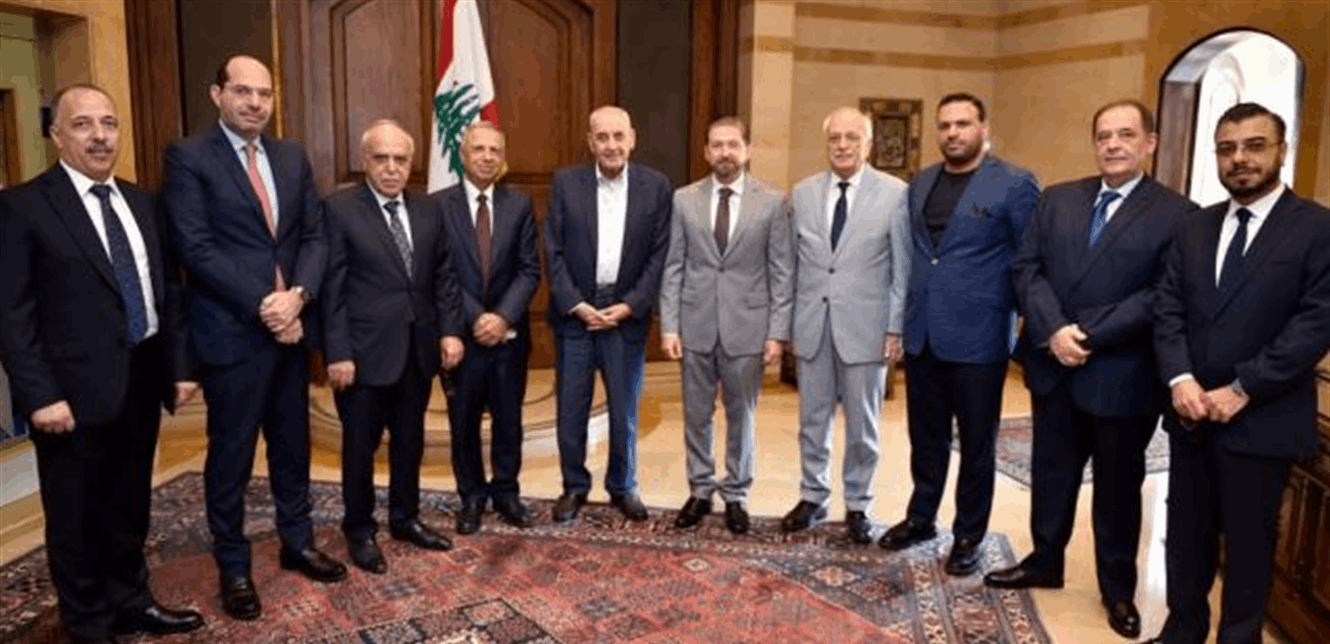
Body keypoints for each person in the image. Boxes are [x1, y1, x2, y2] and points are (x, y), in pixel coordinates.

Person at [0, 84, 204, 644]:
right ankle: (88, 623)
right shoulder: (23, 206)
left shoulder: (142, 202)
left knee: (129, 504)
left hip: (140, 380)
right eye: (83, 124)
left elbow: (168, 292)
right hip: (69, 394)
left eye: (109, 123)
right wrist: (40, 395)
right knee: (75, 516)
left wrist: (179, 367)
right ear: (56, 135)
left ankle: (132, 601)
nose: (99, 136)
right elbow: (12, 314)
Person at [992, 100, 1196, 639]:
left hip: (1122, 374)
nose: (1113, 144)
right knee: (1051, 474)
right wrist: (1054, 329)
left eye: (1126, 134)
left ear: (1150, 142)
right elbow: (1026, 269)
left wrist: (1087, 334)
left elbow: (1163, 294)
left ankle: (1117, 589)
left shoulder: (1178, 214)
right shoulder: (1058, 199)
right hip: (1054, 364)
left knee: (1118, 489)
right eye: (1104, 135)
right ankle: (1045, 560)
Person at [161, 54, 343, 621]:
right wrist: (266, 303)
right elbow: (194, 247)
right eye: (243, 91)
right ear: (217, 94)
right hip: (234, 333)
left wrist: (299, 296)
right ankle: (234, 566)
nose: (255, 103)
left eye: (264, 93)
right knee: (232, 456)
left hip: (291, 332)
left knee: (293, 446)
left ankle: (297, 542)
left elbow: (314, 236)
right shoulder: (189, 157)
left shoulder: (290, 156)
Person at [1145, 102, 1330, 644]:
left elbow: (1316, 321)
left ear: (1282, 151)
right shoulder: (1194, 226)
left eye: (1254, 145)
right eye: (1227, 149)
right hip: (1192, 413)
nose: (1239, 159)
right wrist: (1179, 378)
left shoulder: (1317, 227)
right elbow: (1168, 308)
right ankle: (1182, 631)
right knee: (1186, 537)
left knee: (1249, 547)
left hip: (1263, 418)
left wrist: (1245, 386)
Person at [882, 93, 1040, 575]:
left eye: (963, 124)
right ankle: (921, 518)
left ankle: (968, 535)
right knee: (925, 438)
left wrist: (1024, 322)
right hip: (924, 334)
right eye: (945, 125)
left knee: (976, 445)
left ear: (983, 128)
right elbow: (920, 254)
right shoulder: (921, 182)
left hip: (979, 338)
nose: (952, 133)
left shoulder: (1014, 183)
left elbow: (1029, 259)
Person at [321, 120, 464, 574]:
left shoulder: (429, 209)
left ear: (411, 164)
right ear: (365, 161)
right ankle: (359, 529)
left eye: (400, 159)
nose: (391, 168)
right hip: (362, 355)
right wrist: (337, 352)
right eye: (381, 158)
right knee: (359, 448)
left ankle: (405, 518)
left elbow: (444, 276)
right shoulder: (340, 209)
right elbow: (331, 288)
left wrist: (449, 331)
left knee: (409, 442)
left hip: (417, 351)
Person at [659, 116, 793, 535]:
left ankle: (736, 493)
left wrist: (777, 333)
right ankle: (700, 489)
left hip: (748, 327)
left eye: (733, 145)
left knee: (742, 416)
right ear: (706, 152)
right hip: (695, 325)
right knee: (697, 415)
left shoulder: (772, 202)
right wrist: (669, 326)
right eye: (717, 145)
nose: (725, 153)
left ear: (747, 150)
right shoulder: (684, 200)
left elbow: (782, 272)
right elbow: (674, 266)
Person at [782, 106, 910, 544]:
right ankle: (812, 496)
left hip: (867, 330)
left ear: (868, 144)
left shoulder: (895, 194)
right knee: (811, 422)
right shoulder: (802, 194)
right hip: (813, 325)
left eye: (852, 138)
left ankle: (858, 503)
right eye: (835, 138)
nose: (842, 145)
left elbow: (902, 270)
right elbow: (791, 266)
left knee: (863, 426)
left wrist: (895, 328)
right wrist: (787, 325)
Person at [544, 105, 673, 522]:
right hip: (576, 316)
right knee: (571, 410)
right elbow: (552, 250)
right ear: (590, 142)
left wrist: (631, 304)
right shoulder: (566, 183)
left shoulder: (656, 187)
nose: (611, 145)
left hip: (626, 316)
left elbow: (660, 255)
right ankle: (574, 487)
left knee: (624, 411)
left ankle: (622, 485)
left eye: (619, 136)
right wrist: (576, 304)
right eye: (602, 137)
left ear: (632, 139)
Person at [435, 121, 540, 534]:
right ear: (463, 155)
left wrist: (503, 317)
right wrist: (476, 317)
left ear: (503, 157)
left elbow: (529, 270)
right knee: (463, 421)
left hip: (509, 336)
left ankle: (506, 492)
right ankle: (472, 496)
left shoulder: (519, 204)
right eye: (478, 149)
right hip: (462, 337)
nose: (487, 157)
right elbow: (440, 273)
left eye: (495, 150)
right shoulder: (438, 206)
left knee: (508, 419)